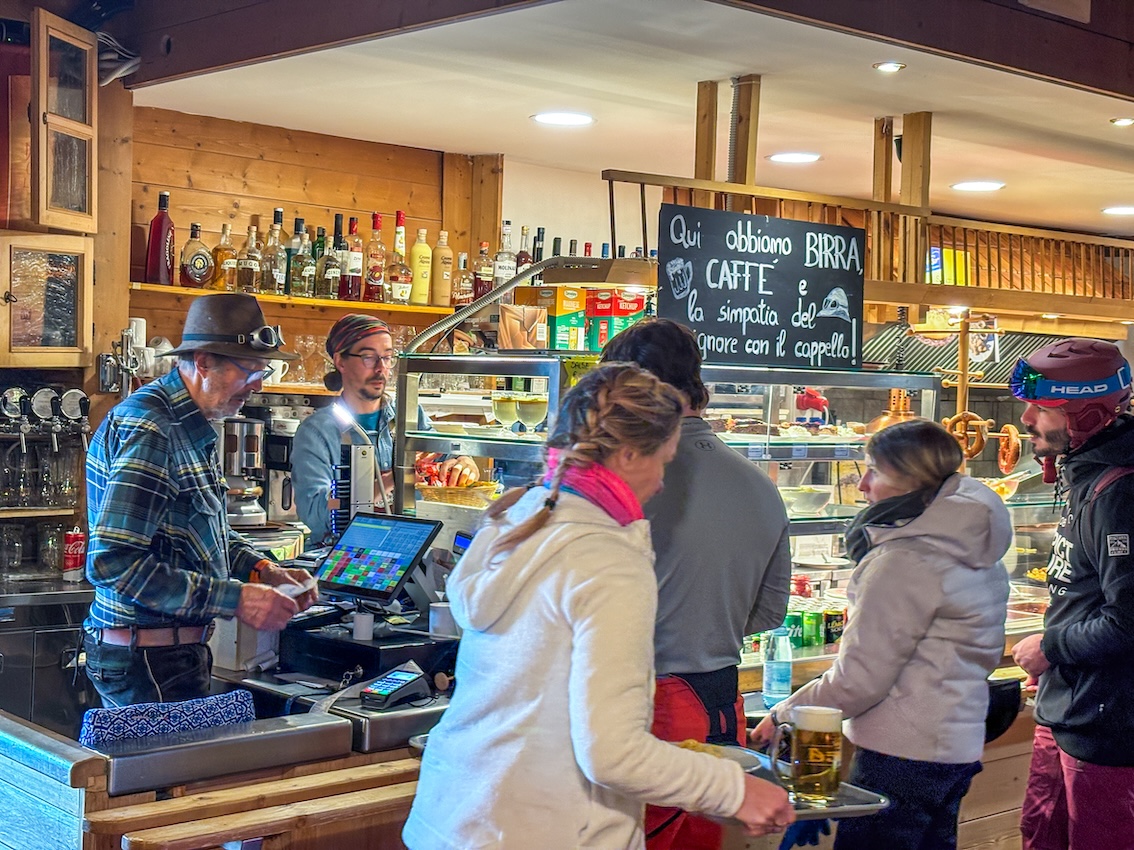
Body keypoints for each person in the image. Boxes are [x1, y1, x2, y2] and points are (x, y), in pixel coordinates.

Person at [402, 363, 795, 850]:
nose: (662, 481)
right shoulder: (607, 560)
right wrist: (734, 790)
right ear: (628, 455)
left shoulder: (516, 521)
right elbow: (612, 753)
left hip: (456, 820)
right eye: (662, 461)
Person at [752, 419, 1011, 850]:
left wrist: (784, 715)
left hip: (902, 756)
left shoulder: (903, 561)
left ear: (913, 480)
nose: (862, 485)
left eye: (874, 471)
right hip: (955, 748)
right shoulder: (973, 543)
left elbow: (859, 681)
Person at [600, 318, 791, 850]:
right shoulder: (760, 485)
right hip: (722, 704)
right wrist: (705, 622)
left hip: (638, 709)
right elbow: (771, 611)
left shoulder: (624, 479)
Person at [84, 293, 318, 708]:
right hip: (147, 661)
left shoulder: (191, 423)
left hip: (166, 656)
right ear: (204, 362)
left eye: (263, 370)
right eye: (250, 370)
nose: (259, 385)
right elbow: (110, 562)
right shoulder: (153, 429)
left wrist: (263, 570)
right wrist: (236, 599)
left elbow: (205, 533)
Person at [1008, 337, 1134, 850]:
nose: (1025, 419)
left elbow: (1128, 621)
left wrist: (1050, 647)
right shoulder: (1085, 473)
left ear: (1085, 415)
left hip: (1107, 726)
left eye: (1041, 408)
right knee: (1041, 834)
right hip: (1070, 705)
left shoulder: (1121, 493)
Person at [290, 314, 478, 546]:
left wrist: (464, 462)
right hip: (343, 552)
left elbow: (444, 454)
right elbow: (315, 513)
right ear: (341, 361)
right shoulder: (317, 432)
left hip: (406, 548)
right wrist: (391, 480)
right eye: (368, 357)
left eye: (387, 358)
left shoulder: (407, 415)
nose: (381, 368)